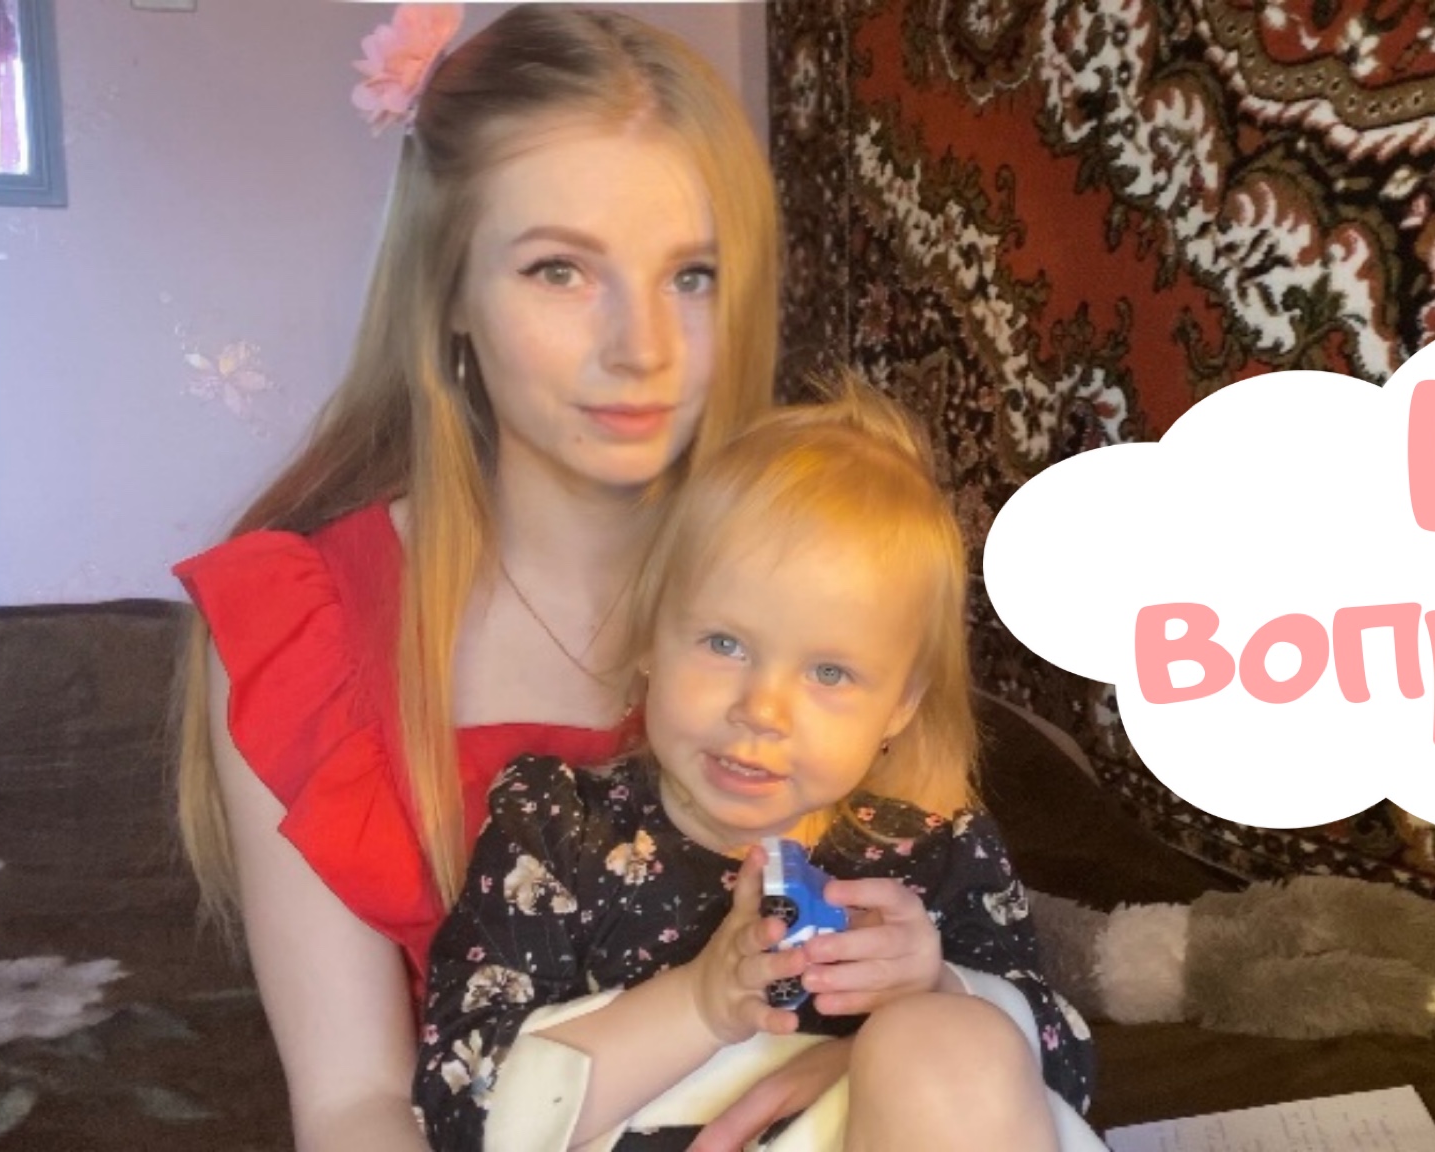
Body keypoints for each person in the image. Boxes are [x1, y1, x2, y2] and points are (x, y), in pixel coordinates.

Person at [169, 8, 779, 1149]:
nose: (641, 347)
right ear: (446, 287)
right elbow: (353, 1102)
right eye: (560, 270)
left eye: (691, 275)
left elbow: (926, 908)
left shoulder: (820, 572)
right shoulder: (303, 632)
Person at [412, 386, 1098, 1152]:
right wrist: (698, 1006)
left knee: (952, 1042)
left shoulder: (934, 856)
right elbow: (459, 1109)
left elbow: (1066, 1070)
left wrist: (936, 989)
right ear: (650, 635)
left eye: (830, 673)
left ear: (899, 707)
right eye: (725, 644)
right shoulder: (558, 829)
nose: (762, 710)